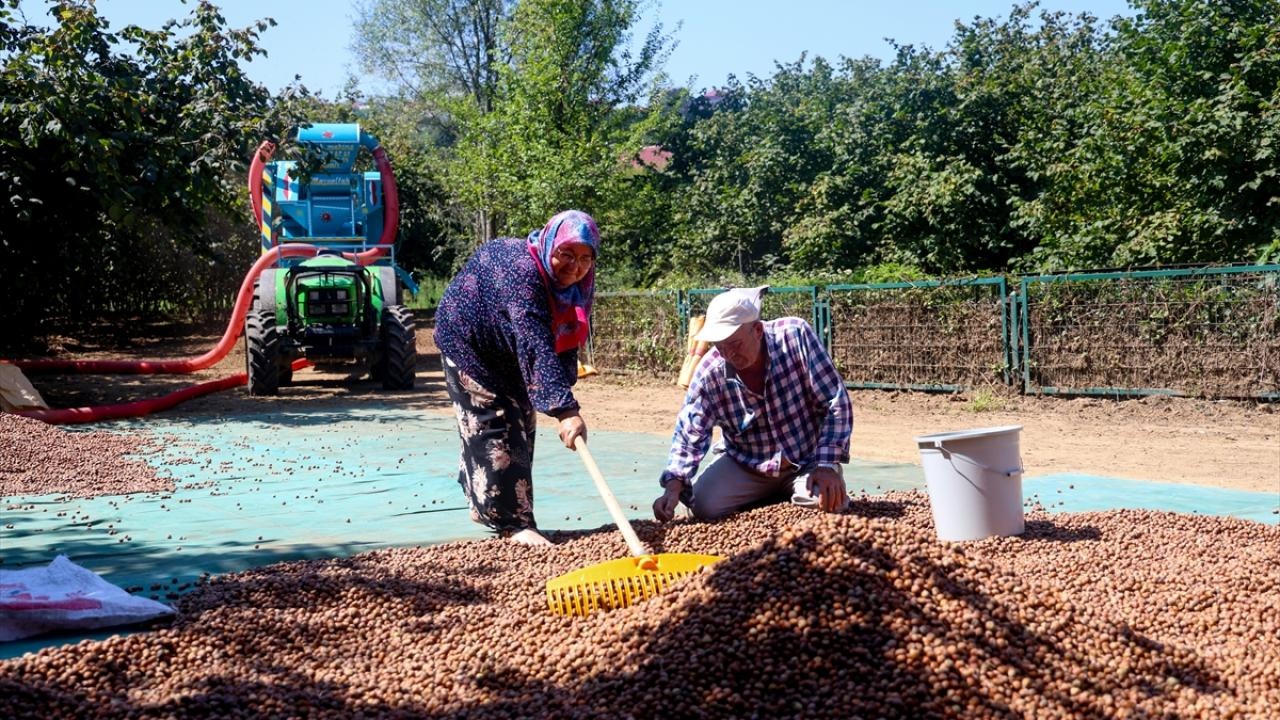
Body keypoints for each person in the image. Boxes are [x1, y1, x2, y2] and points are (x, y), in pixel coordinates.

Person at [433, 210, 600, 546]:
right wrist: (565, 410)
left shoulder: (579, 284)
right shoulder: (522, 273)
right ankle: (514, 524)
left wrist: (559, 392)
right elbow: (536, 341)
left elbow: (563, 337)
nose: (575, 266)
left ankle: (487, 496)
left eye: (585, 258)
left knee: (521, 424)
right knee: (497, 425)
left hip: (509, 350)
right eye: (565, 254)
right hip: (471, 344)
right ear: (550, 244)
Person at [652, 286, 853, 523]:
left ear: (757, 330)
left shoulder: (795, 337)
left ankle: (799, 487)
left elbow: (835, 401)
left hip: (805, 460)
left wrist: (826, 464)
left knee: (826, 505)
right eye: (720, 345)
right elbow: (690, 433)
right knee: (704, 506)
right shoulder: (709, 373)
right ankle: (767, 492)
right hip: (748, 464)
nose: (728, 354)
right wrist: (674, 486)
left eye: (734, 343)